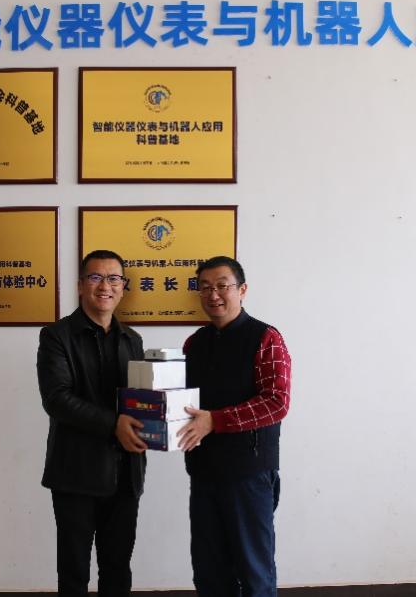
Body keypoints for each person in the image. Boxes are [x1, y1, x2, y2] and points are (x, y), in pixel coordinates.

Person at [176, 256, 292, 597]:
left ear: (242, 290)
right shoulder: (194, 343)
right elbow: (182, 401)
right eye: (205, 287)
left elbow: (277, 402)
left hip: (249, 475)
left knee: (254, 572)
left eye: (222, 286)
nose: (213, 295)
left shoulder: (266, 338)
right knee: (209, 571)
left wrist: (216, 420)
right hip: (204, 471)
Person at [37, 249, 148, 596]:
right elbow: (57, 399)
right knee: (74, 573)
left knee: (117, 569)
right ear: (80, 285)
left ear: (123, 287)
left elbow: (140, 399)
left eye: (114, 279)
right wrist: (114, 424)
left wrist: (160, 420)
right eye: (96, 278)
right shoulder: (56, 336)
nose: (105, 286)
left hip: (126, 472)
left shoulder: (132, 339)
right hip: (76, 473)